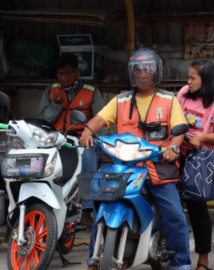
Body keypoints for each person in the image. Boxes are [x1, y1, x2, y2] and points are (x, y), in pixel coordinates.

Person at [80, 49, 192, 270]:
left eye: (147, 68)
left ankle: (180, 264)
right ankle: (94, 258)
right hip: (125, 167)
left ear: (157, 71)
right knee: (102, 205)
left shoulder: (169, 99)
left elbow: (180, 130)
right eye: (138, 69)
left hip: (158, 167)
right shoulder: (121, 100)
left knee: (175, 215)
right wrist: (87, 131)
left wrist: (173, 147)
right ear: (132, 73)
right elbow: (100, 119)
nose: (143, 73)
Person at [177, 59, 214, 270]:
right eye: (189, 77)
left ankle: (203, 259)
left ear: (206, 80)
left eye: (193, 78)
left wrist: (201, 137)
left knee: (197, 209)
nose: (188, 81)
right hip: (175, 154)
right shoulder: (183, 93)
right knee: (168, 202)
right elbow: (173, 118)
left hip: (200, 162)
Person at [38, 54, 105, 227]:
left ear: (77, 72)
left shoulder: (91, 90)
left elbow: (102, 120)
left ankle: (87, 210)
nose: (63, 78)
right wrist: (55, 105)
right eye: (60, 74)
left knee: (90, 157)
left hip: (82, 140)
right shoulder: (51, 90)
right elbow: (42, 121)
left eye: (67, 74)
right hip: (55, 139)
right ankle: (40, 207)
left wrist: (89, 133)